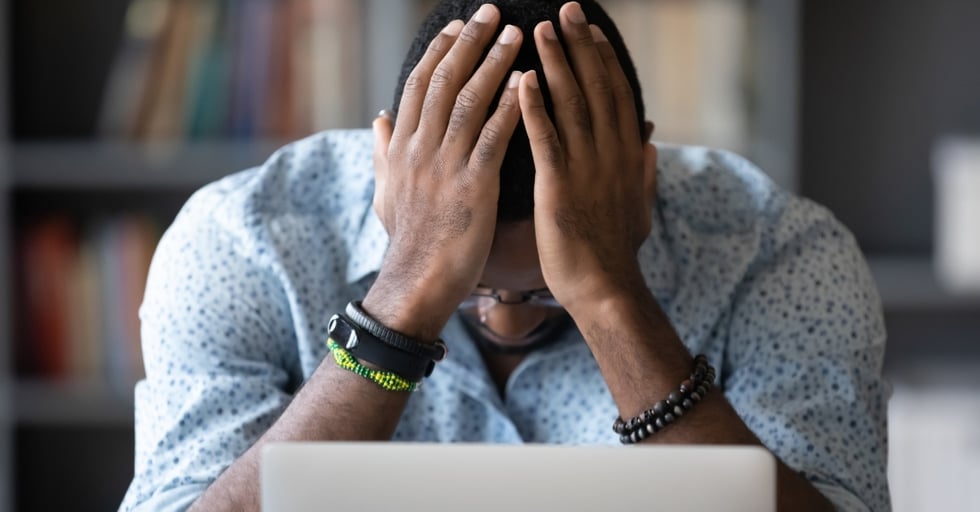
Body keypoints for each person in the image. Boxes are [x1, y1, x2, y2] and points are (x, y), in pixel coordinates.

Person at [120, 1, 890, 511]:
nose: (506, 325)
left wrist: (612, 301)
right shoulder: (241, 243)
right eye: (472, 290)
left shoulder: (780, 255)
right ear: (391, 169)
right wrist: (403, 301)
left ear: (641, 177)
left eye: (547, 295)